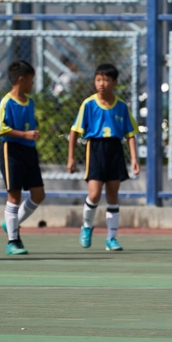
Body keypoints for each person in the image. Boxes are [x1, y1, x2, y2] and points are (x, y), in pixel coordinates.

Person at [67, 63, 139, 251]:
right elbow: (74, 131)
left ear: (114, 82)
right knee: (95, 194)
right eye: (98, 79)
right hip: (96, 148)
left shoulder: (121, 106)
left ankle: (111, 238)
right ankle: (87, 226)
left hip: (115, 150)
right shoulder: (89, 104)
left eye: (106, 80)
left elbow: (130, 134)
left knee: (113, 195)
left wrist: (134, 159)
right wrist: (71, 157)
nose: (101, 84)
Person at [0, 60, 45, 255]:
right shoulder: (6, 101)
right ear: (21, 80)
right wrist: (24, 135)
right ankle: (13, 241)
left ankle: (11, 224)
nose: (33, 84)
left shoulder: (30, 102)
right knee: (14, 196)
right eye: (31, 80)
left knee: (39, 194)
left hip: (29, 152)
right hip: (12, 150)